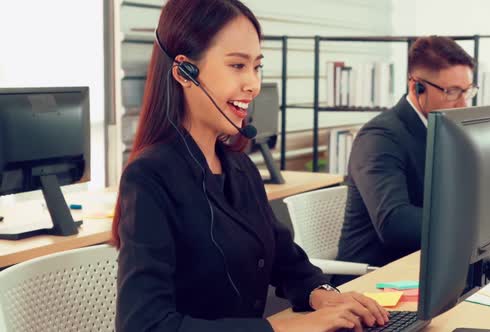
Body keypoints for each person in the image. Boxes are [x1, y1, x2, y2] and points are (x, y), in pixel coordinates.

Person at [111, 0, 390, 331]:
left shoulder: (239, 167)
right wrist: (283, 330)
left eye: (256, 67)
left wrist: (322, 293)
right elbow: (143, 324)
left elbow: (285, 259)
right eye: (237, 66)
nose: (253, 84)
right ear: (184, 72)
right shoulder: (150, 176)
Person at [334, 36, 477, 285]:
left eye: (467, 91)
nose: (463, 102)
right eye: (452, 91)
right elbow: (395, 222)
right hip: (374, 279)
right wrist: (473, 223)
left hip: (426, 266)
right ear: (416, 87)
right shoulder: (380, 136)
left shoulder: (443, 128)